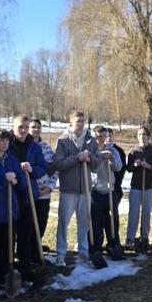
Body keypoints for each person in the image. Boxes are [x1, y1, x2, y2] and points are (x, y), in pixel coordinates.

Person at [53, 111, 101, 266]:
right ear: (70, 122)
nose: (80, 124)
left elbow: (97, 164)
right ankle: (61, 253)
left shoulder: (91, 141)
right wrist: (76, 158)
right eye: (77, 121)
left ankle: (83, 252)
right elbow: (59, 164)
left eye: (82, 121)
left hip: (85, 189)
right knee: (63, 223)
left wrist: (89, 157)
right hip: (68, 189)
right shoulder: (63, 140)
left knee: (84, 223)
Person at [0, 128, 26, 299]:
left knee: (7, 247)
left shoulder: (12, 159)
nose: (4, 143)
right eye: (0, 140)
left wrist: (15, 180)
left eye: (7, 141)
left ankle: (3, 280)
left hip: (10, 209)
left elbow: (21, 184)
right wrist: (4, 179)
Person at [9, 115, 47, 288]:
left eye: (26, 126)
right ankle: (7, 267)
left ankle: (25, 267)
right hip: (9, 194)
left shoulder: (34, 146)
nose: (23, 130)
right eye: (20, 127)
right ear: (13, 127)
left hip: (27, 195)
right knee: (9, 233)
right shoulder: (6, 143)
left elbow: (42, 168)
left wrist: (32, 169)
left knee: (26, 233)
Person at [89, 125, 122, 255]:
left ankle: (113, 244)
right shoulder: (90, 150)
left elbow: (118, 167)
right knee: (96, 221)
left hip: (110, 190)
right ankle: (96, 246)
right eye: (98, 136)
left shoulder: (112, 150)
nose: (101, 139)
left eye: (103, 136)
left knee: (112, 220)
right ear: (94, 136)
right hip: (95, 191)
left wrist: (111, 157)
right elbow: (93, 169)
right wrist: (101, 158)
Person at [125, 126, 152, 248]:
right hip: (136, 186)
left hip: (148, 186)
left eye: (144, 134)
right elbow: (128, 169)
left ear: (148, 136)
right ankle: (130, 238)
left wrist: (148, 166)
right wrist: (135, 164)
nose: (142, 137)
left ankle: (144, 237)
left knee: (146, 213)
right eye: (140, 134)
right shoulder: (133, 151)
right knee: (133, 213)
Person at [29, 118, 57, 245]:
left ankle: (37, 248)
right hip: (30, 192)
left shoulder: (47, 148)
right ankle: (28, 249)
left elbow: (54, 169)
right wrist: (34, 188)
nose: (36, 130)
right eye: (33, 127)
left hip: (44, 192)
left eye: (38, 127)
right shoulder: (25, 148)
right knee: (28, 223)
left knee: (41, 221)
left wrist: (49, 187)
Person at [106, 127, 127, 242]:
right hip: (100, 189)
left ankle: (114, 241)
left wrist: (114, 184)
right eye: (106, 135)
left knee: (113, 217)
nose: (108, 138)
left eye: (110, 135)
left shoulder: (118, 151)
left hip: (114, 189)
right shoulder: (98, 149)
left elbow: (121, 170)